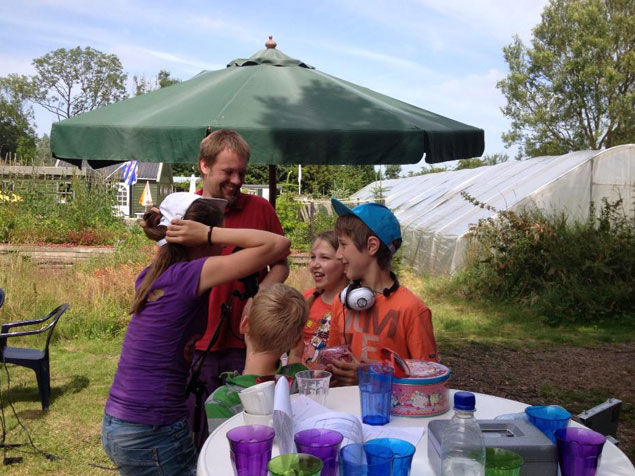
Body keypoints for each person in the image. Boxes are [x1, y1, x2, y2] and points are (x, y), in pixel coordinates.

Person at [102, 192, 290, 476]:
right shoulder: (188, 274)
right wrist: (210, 233)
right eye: (214, 235)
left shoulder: (153, 274)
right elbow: (279, 244)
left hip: (122, 422)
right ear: (196, 237)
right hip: (152, 429)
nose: (223, 246)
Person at [190, 129, 289, 447]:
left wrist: (258, 297)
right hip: (196, 344)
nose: (236, 181)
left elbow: (282, 265)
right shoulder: (186, 211)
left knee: (246, 428)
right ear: (204, 165)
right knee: (197, 426)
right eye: (228, 172)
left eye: (242, 173)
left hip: (247, 345)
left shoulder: (261, 208)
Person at [325, 198, 438, 386]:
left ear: (371, 246)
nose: (338, 254)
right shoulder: (342, 302)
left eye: (343, 245)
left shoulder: (412, 310)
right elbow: (333, 359)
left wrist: (370, 377)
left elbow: (429, 381)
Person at [204, 283, 308, 432]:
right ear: (296, 342)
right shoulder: (302, 380)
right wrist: (296, 355)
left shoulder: (221, 402)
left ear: (244, 325)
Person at [288, 231, 349, 368]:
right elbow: (295, 354)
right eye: (313, 257)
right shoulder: (305, 299)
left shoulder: (353, 306)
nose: (315, 264)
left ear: (345, 263)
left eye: (324, 258)